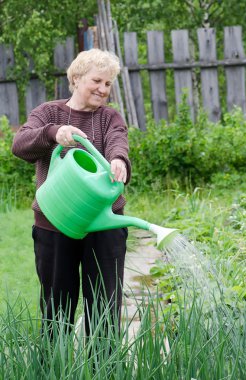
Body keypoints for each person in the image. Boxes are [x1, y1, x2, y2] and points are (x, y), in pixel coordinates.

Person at [12, 49, 131, 337]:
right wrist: (53, 133)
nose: (103, 90)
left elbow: (118, 141)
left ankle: (104, 369)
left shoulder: (109, 117)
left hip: (103, 223)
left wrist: (117, 159)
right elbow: (20, 145)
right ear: (76, 79)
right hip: (55, 224)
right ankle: (56, 368)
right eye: (97, 81)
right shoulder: (47, 113)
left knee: (104, 308)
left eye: (108, 84)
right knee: (56, 308)